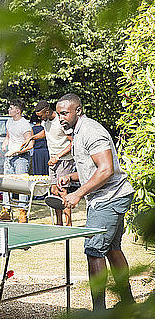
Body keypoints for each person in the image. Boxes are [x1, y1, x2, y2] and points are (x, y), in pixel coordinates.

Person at [56, 93, 135, 311]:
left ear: (78, 111)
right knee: (111, 249)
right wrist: (71, 177)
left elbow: (106, 169)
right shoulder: (78, 132)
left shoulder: (91, 131)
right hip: (112, 195)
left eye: (65, 113)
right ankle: (128, 302)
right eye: (58, 114)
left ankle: (98, 311)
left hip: (109, 197)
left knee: (94, 251)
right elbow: (93, 167)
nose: (61, 118)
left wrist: (78, 193)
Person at [23, 100, 75, 226]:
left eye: (40, 116)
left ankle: (69, 224)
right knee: (54, 192)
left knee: (62, 192)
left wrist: (58, 156)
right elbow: (46, 133)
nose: (39, 118)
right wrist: (32, 137)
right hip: (53, 161)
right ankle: (59, 223)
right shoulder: (46, 121)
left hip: (64, 160)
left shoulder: (61, 121)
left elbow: (73, 142)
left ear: (47, 111)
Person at [0, 99, 33, 223]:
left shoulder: (24, 124)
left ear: (18, 111)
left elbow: (30, 144)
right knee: (6, 183)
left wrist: (16, 152)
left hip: (21, 158)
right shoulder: (9, 122)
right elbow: (8, 136)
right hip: (9, 157)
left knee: (21, 185)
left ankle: (22, 212)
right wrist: (4, 143)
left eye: (11, 108)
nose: (9, 110)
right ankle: (6, 210)